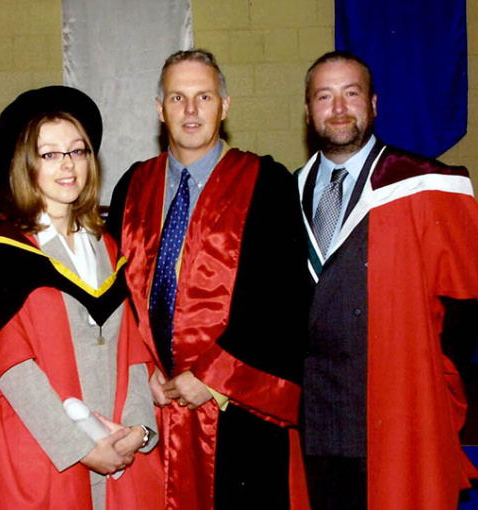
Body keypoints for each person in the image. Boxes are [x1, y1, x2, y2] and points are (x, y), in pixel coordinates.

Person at [107, 49, 310, 509]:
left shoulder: (266, 182)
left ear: (225, 104)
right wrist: (143, 371)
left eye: (204, 97)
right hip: (153, 408)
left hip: (238, 409)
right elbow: (117, 297)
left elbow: (284, 299)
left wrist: (215, 378)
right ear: (160, 110)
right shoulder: (132, 186)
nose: (191, 110)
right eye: (178, 98)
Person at [0, 86, 163, 509]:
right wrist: (83, 447)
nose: (68, 165)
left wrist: (138, 432)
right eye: (49, 154)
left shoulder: (107, 247)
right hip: (45, 459)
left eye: (78, 151)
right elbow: (13, 371)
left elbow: (133, 354)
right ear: (25, 165)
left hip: (119, 459)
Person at [298, 50, 478, 509]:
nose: (338, 108)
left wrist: (429, 387)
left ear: (374, 103)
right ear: (307, 111)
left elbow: (462, 312)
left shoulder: (426, 186)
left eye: (351, 93)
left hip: (394, 416)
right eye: (324, 96)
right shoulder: (286, 192)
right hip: (311, 426)